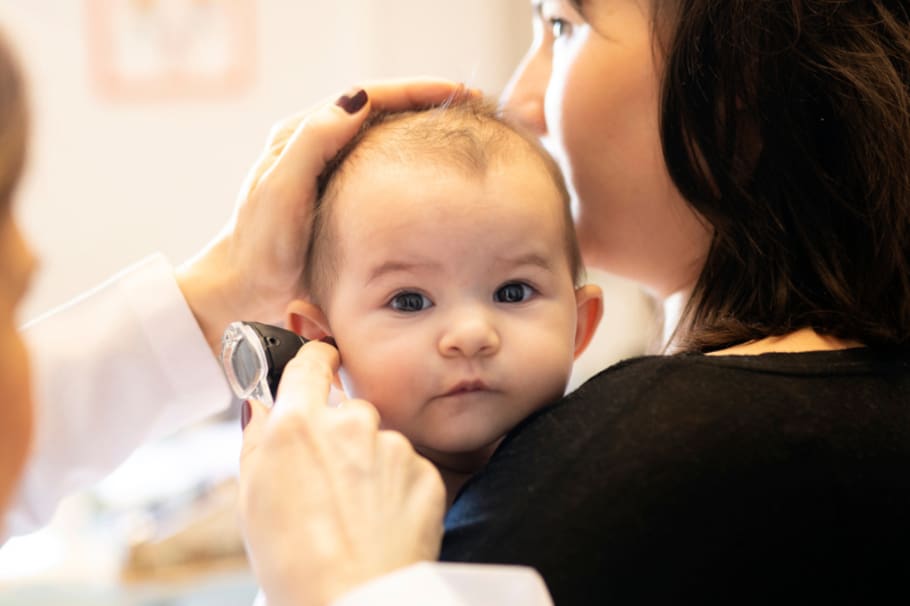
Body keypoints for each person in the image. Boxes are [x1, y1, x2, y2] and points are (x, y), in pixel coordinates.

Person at [236, 0, 910, 604]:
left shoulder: (645, 451)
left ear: (742, 77)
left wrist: (333, 587)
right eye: (410, 299)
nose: (523, 98)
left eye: (562, 26)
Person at [281, 100, 603, 503]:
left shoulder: (606, 474)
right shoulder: (326, 505)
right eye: (410, 301)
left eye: (513, 292)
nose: (471, 335)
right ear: (321, 341)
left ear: (580, 324)